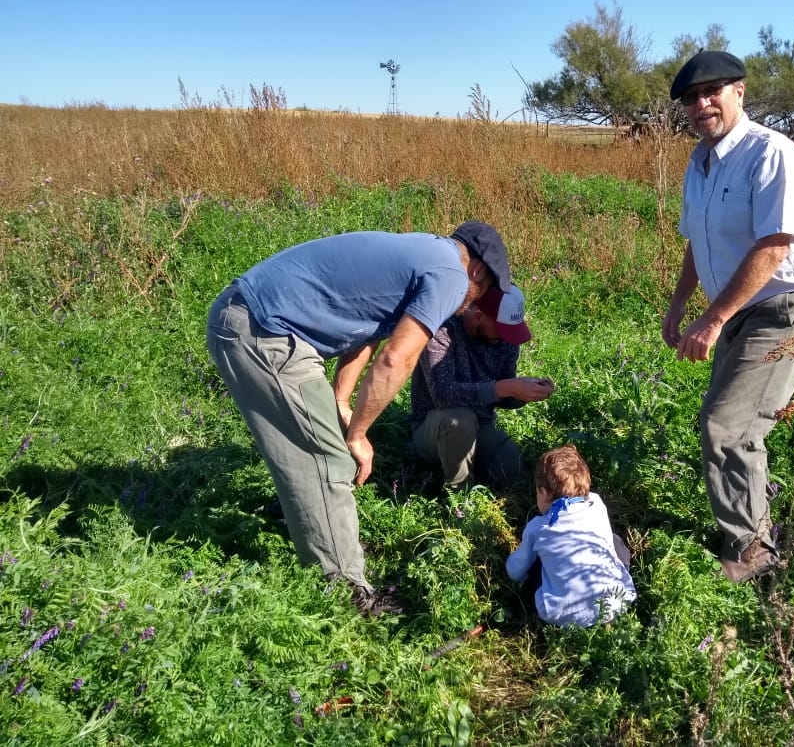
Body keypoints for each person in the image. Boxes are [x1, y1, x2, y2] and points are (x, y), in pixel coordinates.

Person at [206, 220, 512, 616]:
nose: (473, 302)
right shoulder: (451, 276)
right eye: (484, 290)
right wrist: (359, 434)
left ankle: (316, 529)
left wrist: (341, 398)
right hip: (264, 331)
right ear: (478, 271)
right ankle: (347, 594)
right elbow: (396, 359)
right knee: (328, 459)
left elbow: (367, 330)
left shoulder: (426, 252)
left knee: (318, 443)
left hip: (251, 317)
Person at [661, 50, 794, 584]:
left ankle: (754, 557)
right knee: (732, 420)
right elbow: (698, 241)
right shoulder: (700, 162)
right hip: (736, 309)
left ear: (739, 91)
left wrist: (711, 321)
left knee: (727, 427)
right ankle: (752, 527)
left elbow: (775, 246)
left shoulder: (772, 154)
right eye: (691, 97)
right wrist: (679, 301)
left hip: (781, 311)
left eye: (712, 90)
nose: (701, 103)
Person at [409, 282, 555, 491]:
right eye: (502, 330)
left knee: (515, 471)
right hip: (432, 427)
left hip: (481, 426)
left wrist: (524, 392)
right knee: (459, 420)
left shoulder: (505, 340)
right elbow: (443, 394)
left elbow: (503, 392)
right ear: (478, 316)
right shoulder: (442, 330)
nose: (506, 338)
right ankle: (459, 498)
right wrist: (506, 387)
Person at [505, 445, 636, 628]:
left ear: (543, 492)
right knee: (614, 541)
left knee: (538, 563)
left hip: (560, 614)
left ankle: (565, 600)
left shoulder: (538, 527)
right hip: (618, 600)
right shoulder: (596, 504)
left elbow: (515, 571)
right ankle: (606, 612)